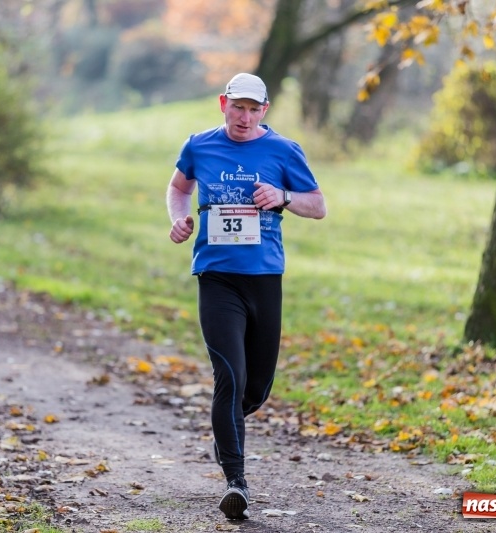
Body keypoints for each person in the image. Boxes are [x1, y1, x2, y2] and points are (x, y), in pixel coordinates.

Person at [166, 72, 327, 520]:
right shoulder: (199, 145)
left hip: (264, 278)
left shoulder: (283, 151)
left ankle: (226, 429)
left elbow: (318, 205)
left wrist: (282, 196)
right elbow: (179, 188)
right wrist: (178, 218)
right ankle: (236, 481)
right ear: (223, 103)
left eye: (253, 109)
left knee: (254, 390)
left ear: (264, 111)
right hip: (217, 277)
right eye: (237, 107)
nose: (244, 116)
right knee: (230, 377)